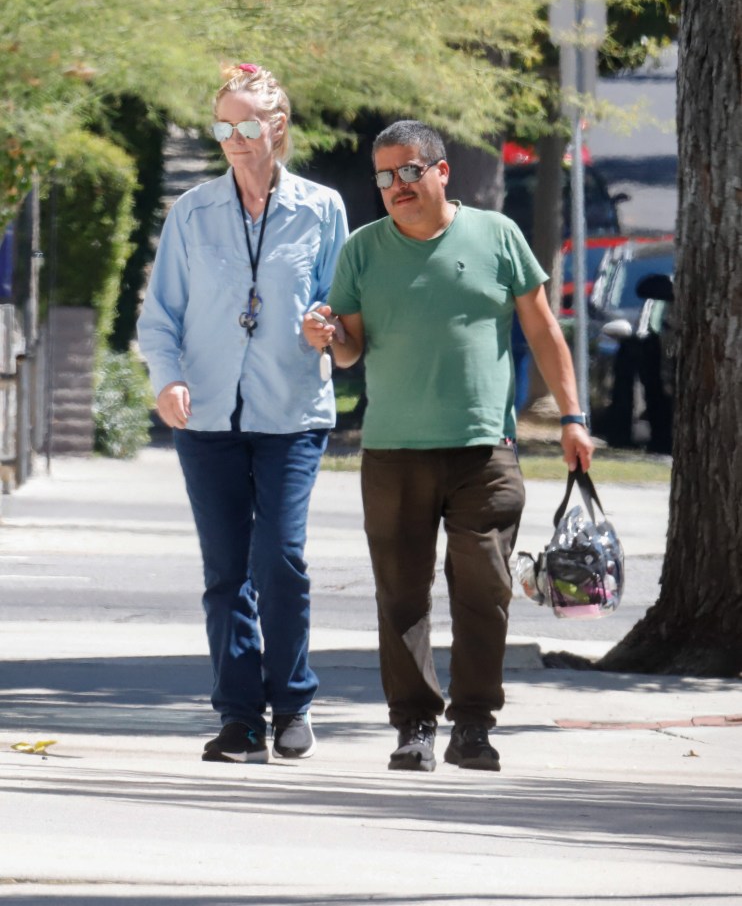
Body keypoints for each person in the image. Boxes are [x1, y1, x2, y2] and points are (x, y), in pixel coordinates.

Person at [303, 120, 593, 773]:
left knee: (485, 591)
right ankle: (413, 728)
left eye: (410, 170)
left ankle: (473, 725)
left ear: (441, 171)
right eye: (385, 176)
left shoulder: (497, 236)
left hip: (483, 450)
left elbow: (544, 332)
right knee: (402, 595)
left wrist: (572, 415)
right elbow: (350, 348)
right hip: (393, 452)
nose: (397, 186)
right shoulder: (362, 250)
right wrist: (325, 334)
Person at [137, 63, 348, 763]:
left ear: (277, 127)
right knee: (226, 571)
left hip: (292, 414)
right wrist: (167, 381)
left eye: (246, 125)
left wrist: (329, 328)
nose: (233, 138)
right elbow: (160, 316)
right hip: (207, 420)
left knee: (280, 560)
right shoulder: (192, 211)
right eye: (222, 126)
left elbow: (342, 312)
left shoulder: (322, 209)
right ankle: (238, 717)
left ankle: (292, 703)